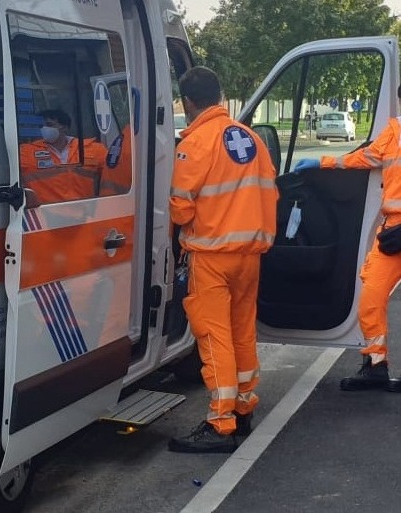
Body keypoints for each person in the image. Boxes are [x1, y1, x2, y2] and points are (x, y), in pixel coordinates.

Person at [167, 66, 278, 453]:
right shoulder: (251, 138)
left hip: (212, 256)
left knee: (214, 339)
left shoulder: (194, 143)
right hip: (250, 256)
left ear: (188, 102)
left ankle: (220, 422)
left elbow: (180, 209)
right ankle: (244, 409)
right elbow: (269, 192)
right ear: (220, 95)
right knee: (241, 332)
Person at [293, 85, 401, 393]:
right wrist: (323, 162)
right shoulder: (393, 132)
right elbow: (365, 158)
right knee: (371, 297)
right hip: (394, 231)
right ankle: (376, 365)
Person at [19, 109, 108, 204]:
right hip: (44, 214)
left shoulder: (94, 149)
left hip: (86, 213)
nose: (44, 129)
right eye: (41, 126)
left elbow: (113, 178)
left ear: (65, 127)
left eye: (49, 125)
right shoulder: (26, 152)